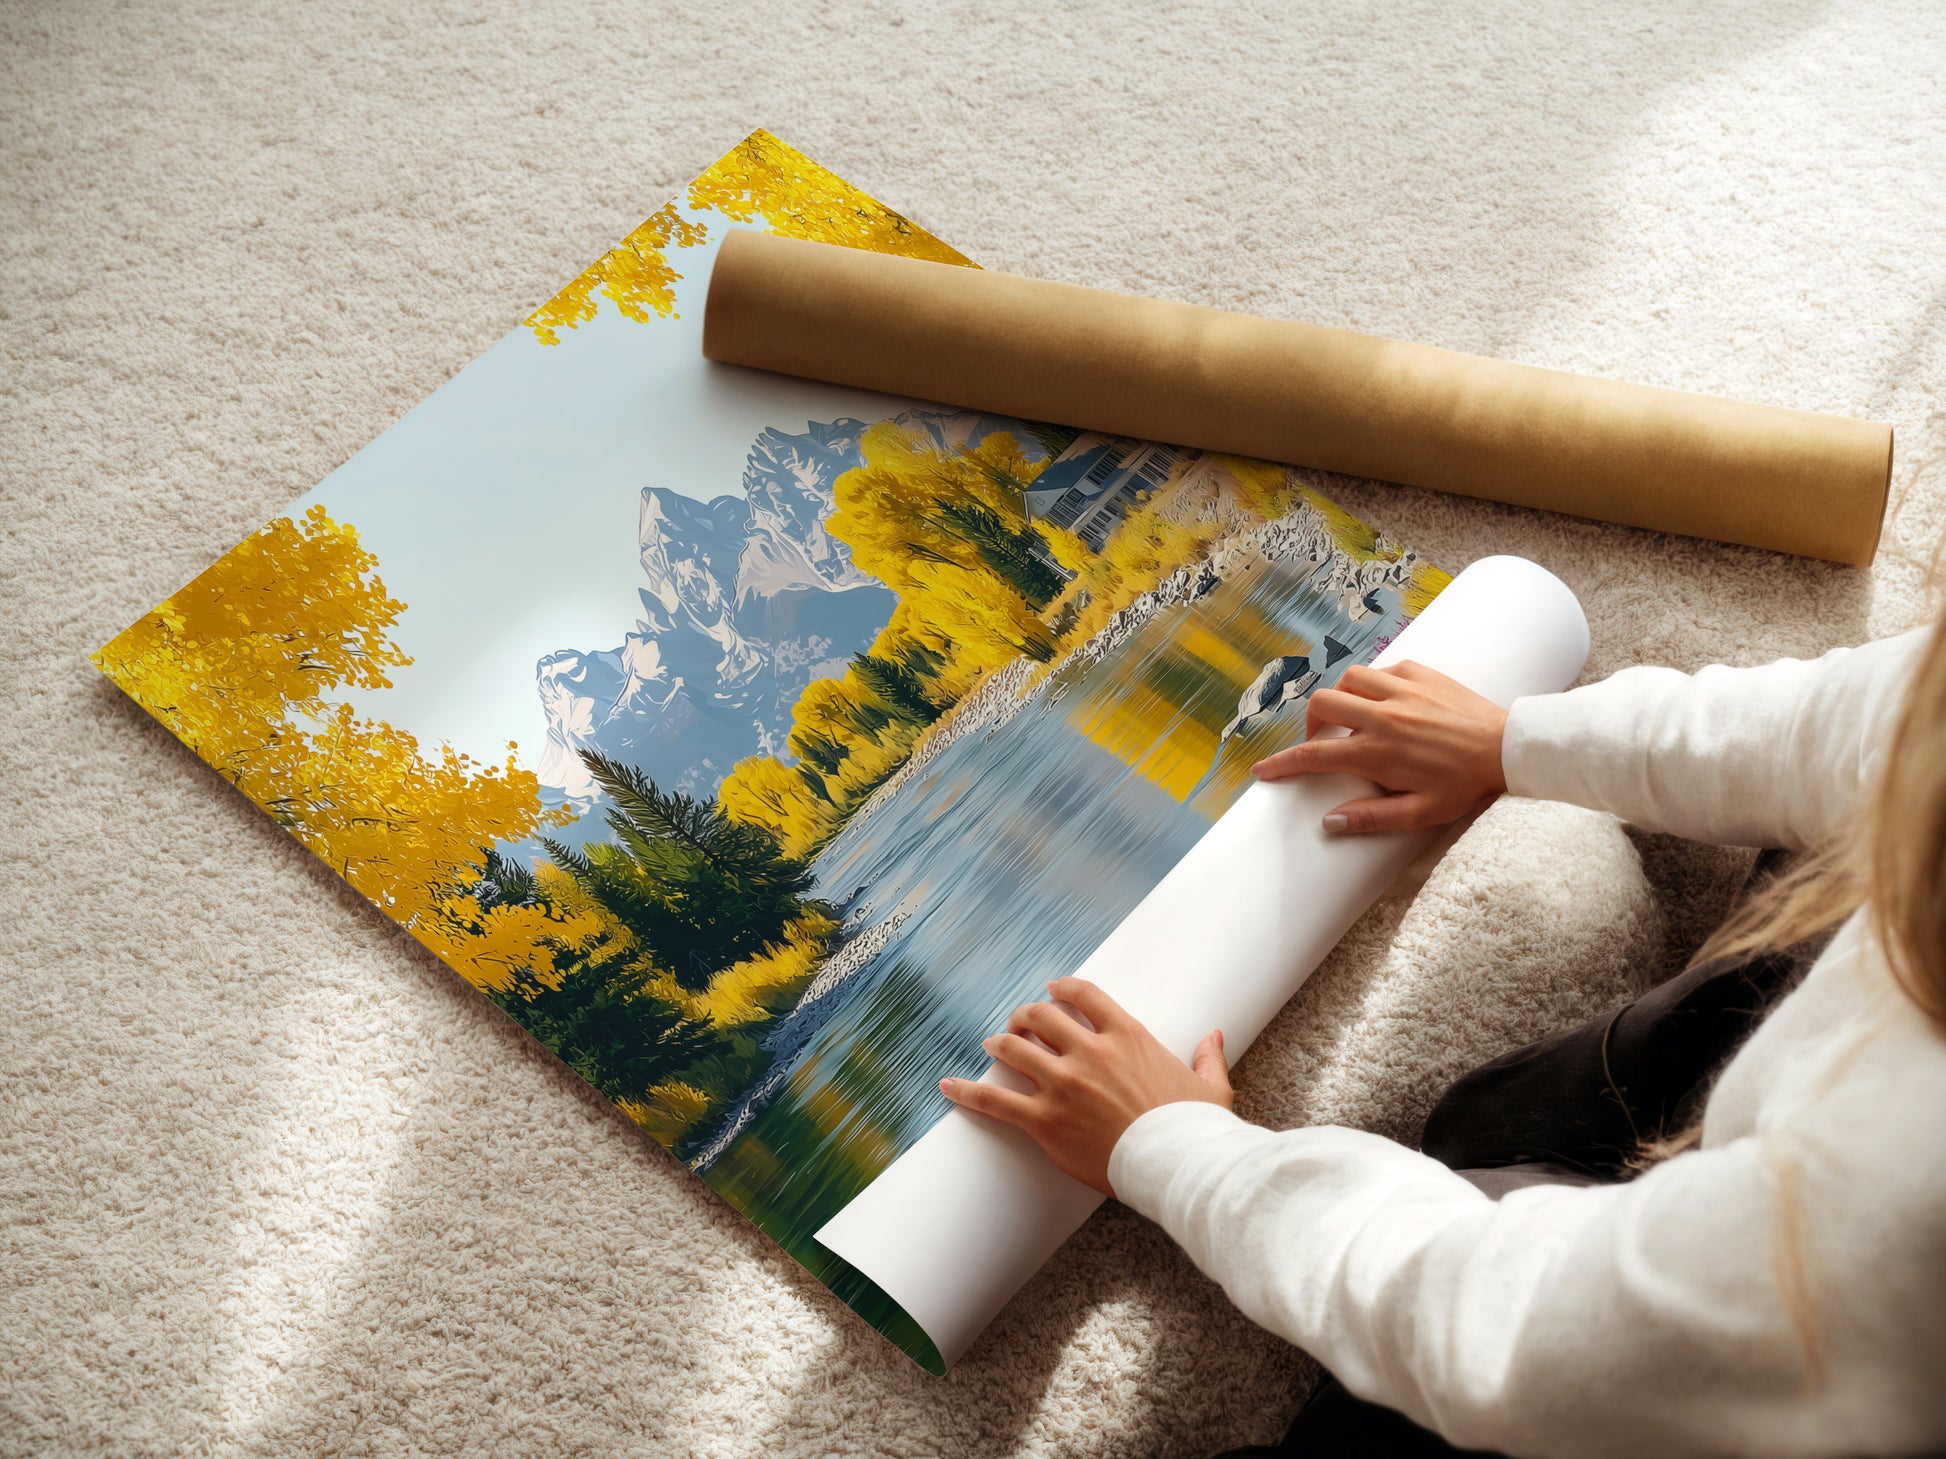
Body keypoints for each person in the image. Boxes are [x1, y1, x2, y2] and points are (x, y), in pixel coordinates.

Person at [939, 619, 1946, 1457]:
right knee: (1497, 1122)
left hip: (1812, 1361)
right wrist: (1514, 739)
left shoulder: (1896, 1209)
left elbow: (1509, 1331)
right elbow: (1871, 718)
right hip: (1810, 1171)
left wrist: (1175, 1149)